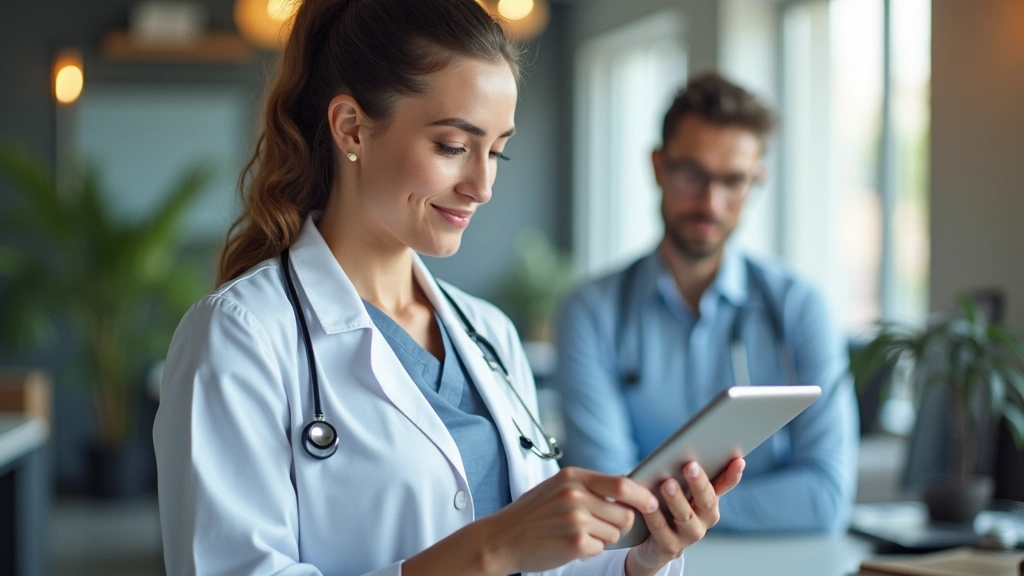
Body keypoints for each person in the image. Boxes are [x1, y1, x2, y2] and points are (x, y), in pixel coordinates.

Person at [153, 2, 745, 575]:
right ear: (351, 128)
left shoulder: (488, 333)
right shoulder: (239, 336)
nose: (482, 185)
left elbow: (538, 566)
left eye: (498, 153)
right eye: (453, 147)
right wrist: (488, 552)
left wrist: (638, 562)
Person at [555, 72, 858, 534]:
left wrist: (667, 509)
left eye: (734, 181)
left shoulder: (800, 309)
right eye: (692, 174)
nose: (711, 203)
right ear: (658, 166)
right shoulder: (592, 313)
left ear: (757, 179)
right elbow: (611, 499)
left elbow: (825, 498)